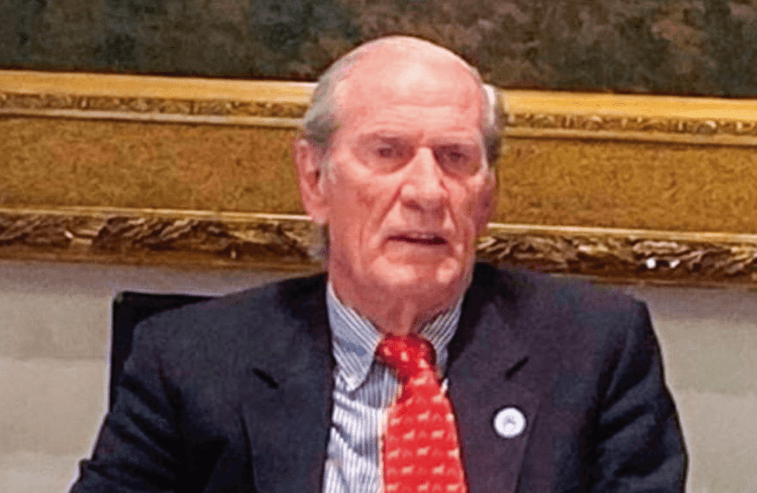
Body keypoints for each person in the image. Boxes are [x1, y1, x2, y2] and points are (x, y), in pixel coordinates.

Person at [70, 36, 687, 492]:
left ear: (486, 199)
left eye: (455, 158)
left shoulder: (595, 350)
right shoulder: (190, 361)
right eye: (388, 152)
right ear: (315, 181)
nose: (426, 191)